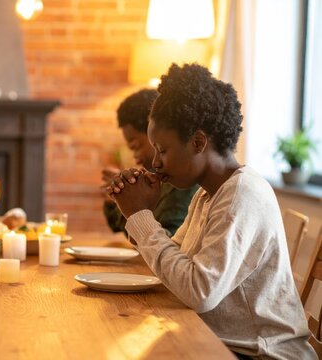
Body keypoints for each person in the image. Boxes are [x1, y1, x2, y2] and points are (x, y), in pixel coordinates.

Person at [107, 63, 315, 359]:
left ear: (198, 141)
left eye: (162, 150)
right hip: (219, 344)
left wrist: (141, 218)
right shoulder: (208, 195)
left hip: (262, 354)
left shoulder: (241, 195)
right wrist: (139, 212)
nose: (154, 162)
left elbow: (199, 291)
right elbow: (174, 266)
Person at [102, 89, 196, 236]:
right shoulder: (158, 180)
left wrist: (136, 209)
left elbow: (167, 243)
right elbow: (120, 228)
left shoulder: (182, 183)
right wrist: (118, 198)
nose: (136, 158)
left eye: (135, 147)